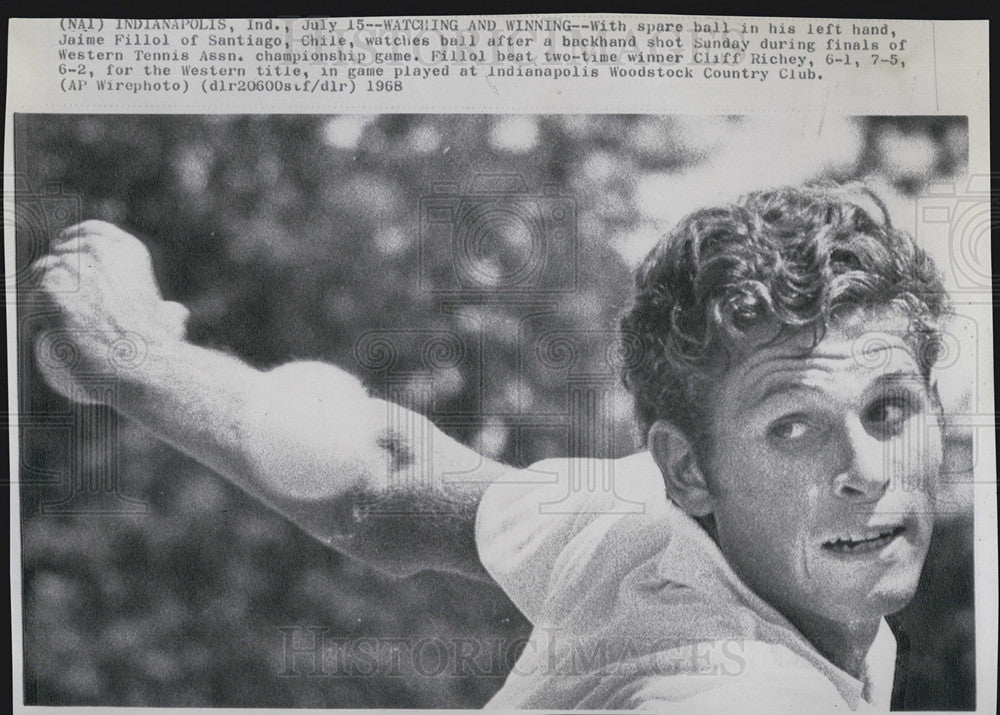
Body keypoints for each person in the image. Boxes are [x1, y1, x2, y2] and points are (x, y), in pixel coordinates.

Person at [30, 183, 955, 711]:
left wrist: (131, 357)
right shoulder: (745, 693)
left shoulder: (643, 521)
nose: (864, 471)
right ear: (690, 470)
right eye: (790, 426)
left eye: (887, 409)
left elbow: (383, 486)